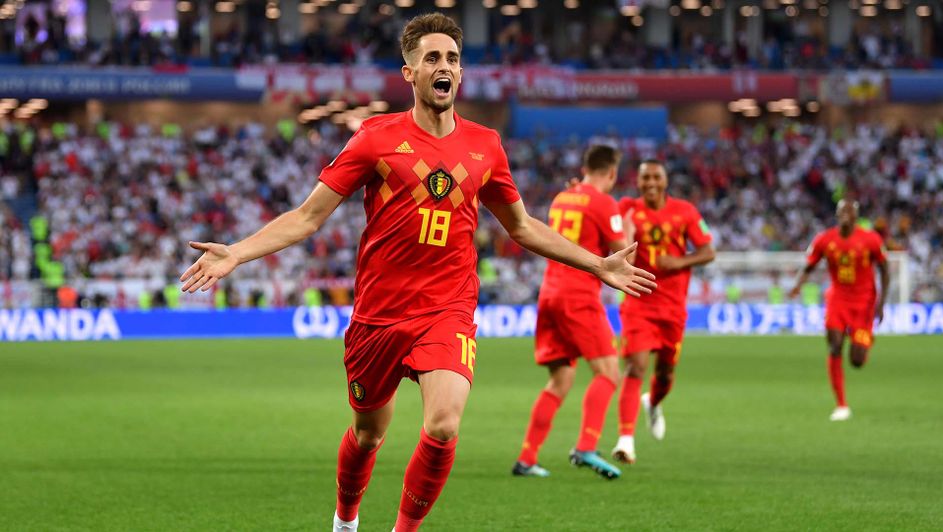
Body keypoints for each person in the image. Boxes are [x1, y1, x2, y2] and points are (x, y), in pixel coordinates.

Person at [179, 13, 656, 532]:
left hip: (447, 308)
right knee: (367, 435)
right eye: (432, 58)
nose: (444, 66)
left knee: (445, 424)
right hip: (378, 316)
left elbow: (521, 226)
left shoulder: (485, 146)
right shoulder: (373, 139)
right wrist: (237, 253)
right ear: (409, 73)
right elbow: (307, 216)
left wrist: (596, 263)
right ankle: (345, 519)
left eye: (452, 57)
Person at [513, 145, 628, 481]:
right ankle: (586, 446)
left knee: (560, 379)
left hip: (549, 294)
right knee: (608, 372)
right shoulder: (605, 203)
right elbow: (623, 254)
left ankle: (527, 457)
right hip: (578, 296)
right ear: (612, 172)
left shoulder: (562, 198)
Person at [610, 159, 715, 465]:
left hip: (672, 308)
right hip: (637, 302)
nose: (651, 182)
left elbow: (709, 252)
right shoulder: (627, 207)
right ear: (638, 182)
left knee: (665, 373)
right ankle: (626, 440)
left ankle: (653, 403)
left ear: (665, 181)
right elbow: (606, 223)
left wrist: (679, 262)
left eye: (656, 177)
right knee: (636, 367)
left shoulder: (686, 212)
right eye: (645, 178)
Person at [789, 200, 888, 421]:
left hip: (864, 304)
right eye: (840, 211)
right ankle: (841, 405)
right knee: (834, 347)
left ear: (856, 216)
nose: (844, 214)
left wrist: (881, 303)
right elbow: (809, 265)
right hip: (838, 301)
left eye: (848, 211)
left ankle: (863, 338)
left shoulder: (870, 239)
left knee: (857, 361)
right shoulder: (825, 239)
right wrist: (798, 284)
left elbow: (884, 269)